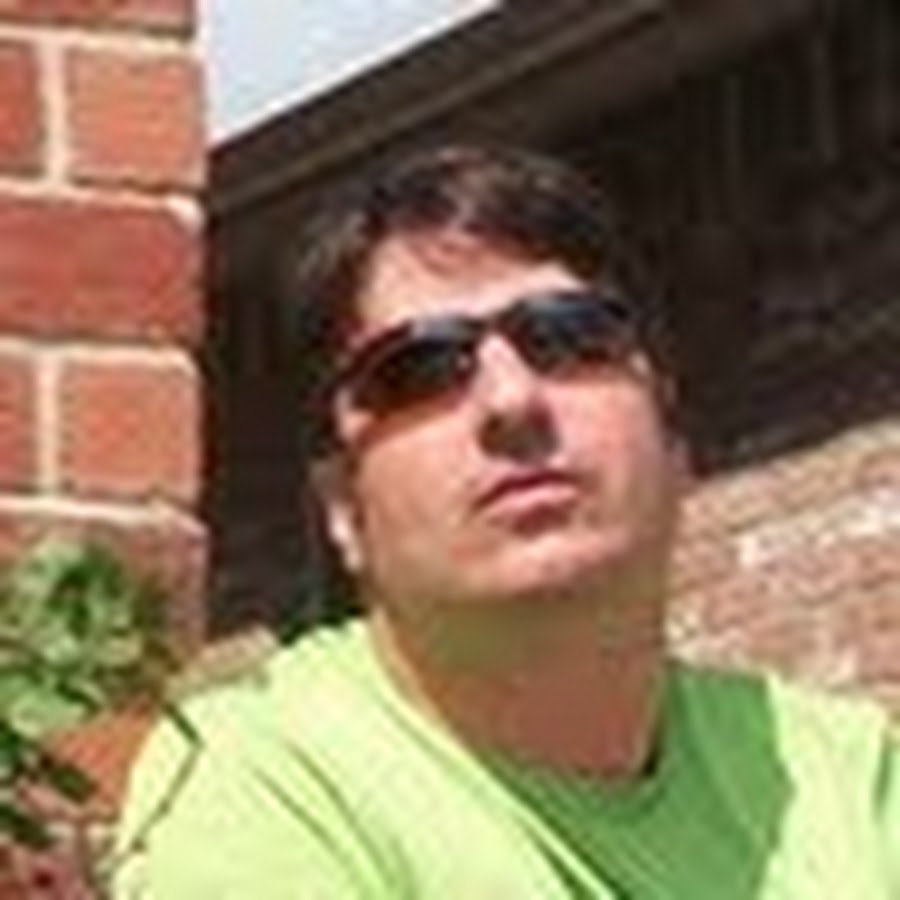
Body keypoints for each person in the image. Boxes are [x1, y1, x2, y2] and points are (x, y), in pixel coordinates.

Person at [112, 144, 899, 899]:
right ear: (344, 510)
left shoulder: (841, 774)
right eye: (417, 370)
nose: (511, 400)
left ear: (675, 443)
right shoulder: (267, 780)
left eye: (572, 335)